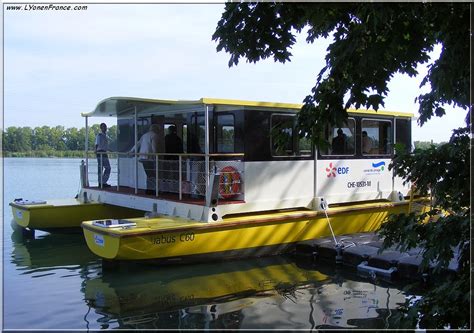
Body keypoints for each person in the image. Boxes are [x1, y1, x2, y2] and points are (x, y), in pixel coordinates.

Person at [130, 124, 160, 194]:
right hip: (149, 158)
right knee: (152, 174)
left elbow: (137, 144)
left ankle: (149, 189)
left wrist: (131, 151)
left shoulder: (144, 135)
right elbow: (154, 148)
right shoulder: (155, 136)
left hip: (142, 158)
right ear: (156, 129)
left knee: (149, 174)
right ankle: (151, 190)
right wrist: (156, 157)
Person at [95, 123, 111, 187]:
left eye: (106, 127)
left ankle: (103, 182)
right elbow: (97, 143)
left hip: (104, 152)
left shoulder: (105, 136)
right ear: (101, 128)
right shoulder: (99, 135)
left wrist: (112, 150)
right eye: (104, 127)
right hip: (100, 152)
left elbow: (106, 146)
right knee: (100, 168)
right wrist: (96, 150)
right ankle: (100, 183)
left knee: (108, 168)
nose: (105, 128)